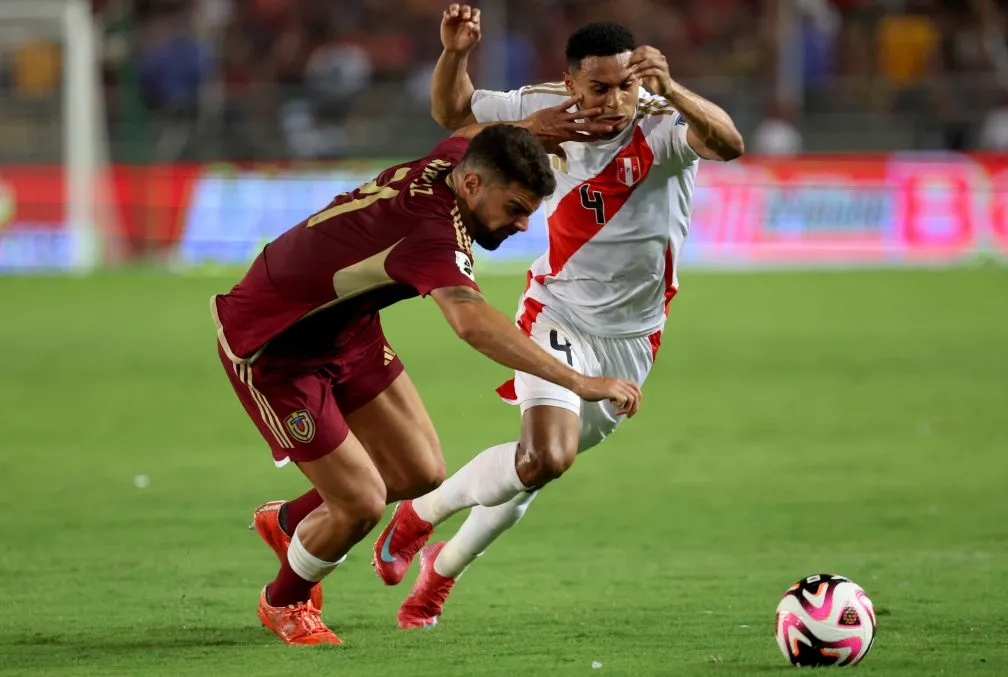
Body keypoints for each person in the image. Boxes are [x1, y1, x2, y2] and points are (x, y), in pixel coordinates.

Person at [212, 104, 643, 646]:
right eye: (514, 208)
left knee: (420, 471)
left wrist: (535, 126)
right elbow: (471, 322)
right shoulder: (429, 232)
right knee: (363, 503)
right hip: (274, 346)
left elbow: (469, 132)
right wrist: (579, 382)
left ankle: (291, 522)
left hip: (347, 328)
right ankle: (285, 600)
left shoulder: (455, 165)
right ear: (471, 184)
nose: (522, 225)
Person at [373, 6, 744, 629]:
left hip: (636, 335)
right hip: (558, 311)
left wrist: (671, 88)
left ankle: (439, 568)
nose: (614, 101)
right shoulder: (544, 106)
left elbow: (730, 144)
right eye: (599, 88)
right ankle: (420, 520)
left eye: (625, 86)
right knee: (548, 455)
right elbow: (452, 113)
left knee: (531, 470)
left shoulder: (661, 123)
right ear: (572, 83)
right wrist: (455, 53)